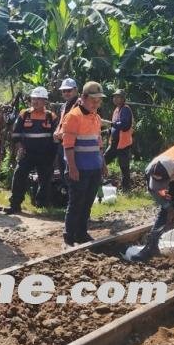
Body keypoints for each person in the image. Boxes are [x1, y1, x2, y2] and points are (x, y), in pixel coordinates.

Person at [61, 81, 108, 245]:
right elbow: (68, 145)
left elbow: (99, 143)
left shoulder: (96, 117)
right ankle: (69, 235)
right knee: (76, 203)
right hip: (79, 168)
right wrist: (72, 167)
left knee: (87, 202)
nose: (96, 103)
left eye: (99, 100)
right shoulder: (73, 116)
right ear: (83, 98)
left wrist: (103, 163)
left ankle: (81, 233)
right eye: (93, 100)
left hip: (94, 167)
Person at [6, 86, 58, 213]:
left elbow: (56, 137)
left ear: (45, 101)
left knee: (45, 180)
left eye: (39, 99)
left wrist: (54, 156)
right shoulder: (24, 114)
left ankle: (41, 206)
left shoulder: (51, 116)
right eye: (33, 99)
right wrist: (19, 148)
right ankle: (15, 205)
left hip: (45, 155)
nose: (35, 102)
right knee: (19, 176)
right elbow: (16, 134)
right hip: (27, 153)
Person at [104, 89, 134, 191]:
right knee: (103, 160)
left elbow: (124, 125)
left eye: (118, 97)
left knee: (124, 167)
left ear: (123, 99)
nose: (115, 99)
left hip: (123, 143)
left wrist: (110, 124)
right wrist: (108, 130)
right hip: (115, 143)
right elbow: (115, 125)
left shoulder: (125, 109)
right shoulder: (117, 110)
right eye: (114, 97)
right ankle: (98, 181)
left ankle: (126, 188)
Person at [54, 78, 79, 193]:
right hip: (62, 142)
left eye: (68, 90)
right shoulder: (64, 106)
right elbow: (61, 122)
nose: (66, 93)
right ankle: (68, 198)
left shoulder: (79, 104)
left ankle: (73, 199)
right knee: (63, 169)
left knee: (70, 171)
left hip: (73, 143)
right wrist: (56, 132)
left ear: (75, 90)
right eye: (64, 91)